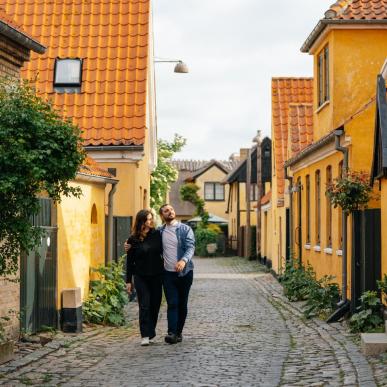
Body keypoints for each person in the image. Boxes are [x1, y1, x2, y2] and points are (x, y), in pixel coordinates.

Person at [126, 209, 164, 346]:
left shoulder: (157, 234)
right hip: (141, 276)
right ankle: (145, 335)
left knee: (155, 305)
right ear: (141, 221)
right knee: (144, 305)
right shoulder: (132, 239)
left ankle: (151, 331)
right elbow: (129, 262)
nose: (150, 221)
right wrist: (128, 281)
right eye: (148, 219)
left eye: (151, 218)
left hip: (157, 276)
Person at [158, 204, 195, 345]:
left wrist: (183, 261)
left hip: (185, 273)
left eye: (172, 209)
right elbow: (144, 238)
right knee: (172, 303)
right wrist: (129, 244)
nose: (170, 212)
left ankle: (178, 332)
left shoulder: (185, 229)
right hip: (168, 274)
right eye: (166, 211)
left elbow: (191, 247)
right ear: (162, 215)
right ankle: (172, 333)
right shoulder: (160, 231)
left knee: (182, 303)